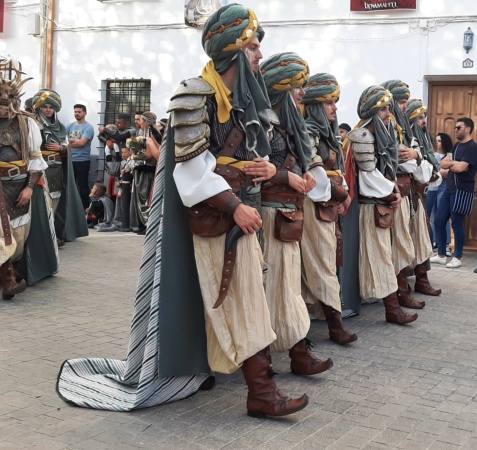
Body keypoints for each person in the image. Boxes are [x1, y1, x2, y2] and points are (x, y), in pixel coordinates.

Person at [57, 4, 308, 417]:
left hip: (240, 213)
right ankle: (261, 393)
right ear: (233, 50)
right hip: (214, 218)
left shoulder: (238, 101)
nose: (260, 56)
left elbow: (239, 157)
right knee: (243, 300)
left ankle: (212, 373)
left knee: (234, 298)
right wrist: (233, 205)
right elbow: (191, 170)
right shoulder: (195, 95)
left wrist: (260, 169)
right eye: (253, 48)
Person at [260, 52, 334, 375]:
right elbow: (253, 166)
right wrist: (283, 176)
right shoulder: (258, 120)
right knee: (268, 288)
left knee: (287, 287)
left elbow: (303, 161)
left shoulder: (291, 123)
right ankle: (266, 362)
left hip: (290, 214)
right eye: (296, 87)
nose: (302, 94)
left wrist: (305, 175)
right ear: (280, 87)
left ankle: (298, 353)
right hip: (265, 215)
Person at [344, 85, 417, 325]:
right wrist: (391, 193)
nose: (388, 113)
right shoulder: (362, 136)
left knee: (385, 257)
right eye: (383, 109)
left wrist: (391, 192)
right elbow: (368, 176)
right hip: (369, 208)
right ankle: (392, 310)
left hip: (382, 203)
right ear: (372, 110)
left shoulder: (383, 134)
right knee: (380, 258)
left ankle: (393, 307)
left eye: (388, 108)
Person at [299, 72, 357, 345]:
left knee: (329, 260)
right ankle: (334, 326)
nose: (334, 108)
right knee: (321, 262)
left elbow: (337, 168)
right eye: (328, 102)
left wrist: (343, 192)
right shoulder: (308, 131)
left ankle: (325, 321)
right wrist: (340, 192)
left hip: (330, 204)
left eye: (335, 102)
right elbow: (314, 170)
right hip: (313, 206)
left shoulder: (328, 133)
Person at [0, 56, 50, 299]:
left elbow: (35, 159)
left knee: (17, 236)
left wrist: (30, 187)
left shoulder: (26, 123)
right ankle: (8, 280)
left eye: (6, 102)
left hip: (17, 185)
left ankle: (13, 273)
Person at [380, 80, 428, 310]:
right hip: (393, 194)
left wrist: (417, 157)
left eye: (404, 103)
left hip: (408, 194)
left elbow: (423, 168)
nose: (402, 107)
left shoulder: (403, 132)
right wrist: (417, 159)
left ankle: (403, 292)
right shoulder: (390, 131)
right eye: (399, 102)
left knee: (407, 243)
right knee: (398, 246)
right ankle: (399, 296)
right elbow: (408, 165)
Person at [33, 90, 89, 247]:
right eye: (45, 107)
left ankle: (54, 234)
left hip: (57, 168)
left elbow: (66, 148)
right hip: (40, 168)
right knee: (42, 203)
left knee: (56, 202)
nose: (48, 110)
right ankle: (44, 237)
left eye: (51, 107)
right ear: (39, 108)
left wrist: (61, 148)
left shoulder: (61, 127)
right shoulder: (34, 125)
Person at [431, 118, 477, 269]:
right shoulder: (457, 146)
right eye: (455, 127)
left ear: (468, 129)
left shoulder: (472, 147)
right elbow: (444, 164)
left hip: (462, 190)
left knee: (457, 224)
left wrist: (454, 165)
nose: (456, 130)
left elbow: (459, 168)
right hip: (449, 189)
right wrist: (456, 164)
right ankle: (441, 255)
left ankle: (457, 257)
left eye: (459, 127)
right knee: (439, 221)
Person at [404, 98, 441, 297]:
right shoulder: (409, 140)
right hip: (409, 195)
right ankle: (407, 284)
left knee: (421, 238)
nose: (424, 120)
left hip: (420, 195)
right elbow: (420, 173)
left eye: (424, 116)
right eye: (419, 117)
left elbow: (433, 174)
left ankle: (421, 280)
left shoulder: (424, 140)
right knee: (409, 239)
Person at [130, 112, 161, 234]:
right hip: (142, 168)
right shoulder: (142, 133)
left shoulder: (151, 135)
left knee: (146, 199)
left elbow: (152, 155)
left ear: (146, 122)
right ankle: (142, 224)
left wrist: (135, 156)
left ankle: (147, 223)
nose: (138, 122)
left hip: (148, 170)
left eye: (140, 120)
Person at [427, 132, 452, 254]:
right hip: (432, 188)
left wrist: (440, 171)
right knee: (432, 217)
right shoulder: (432, 155)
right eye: (436, 140)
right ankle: (433, 242)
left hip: (444, 187)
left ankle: (446, 244)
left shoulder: (449, 155)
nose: (437, 143)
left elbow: (449, 172)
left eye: (439, 140)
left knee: (443, 216)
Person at [66, 103, 94, 209]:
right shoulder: (70, 126)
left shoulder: (88, 127)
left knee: (83, 186)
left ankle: (84, 209)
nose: (77, 114)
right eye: (75, 112)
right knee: (69, 186)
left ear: (85, 113)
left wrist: (69, 142)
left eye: (79, 111)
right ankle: (70, 208)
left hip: (82, 161)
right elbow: (62, 141)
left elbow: (82, 143)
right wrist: (75, 141)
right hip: (70, 160)